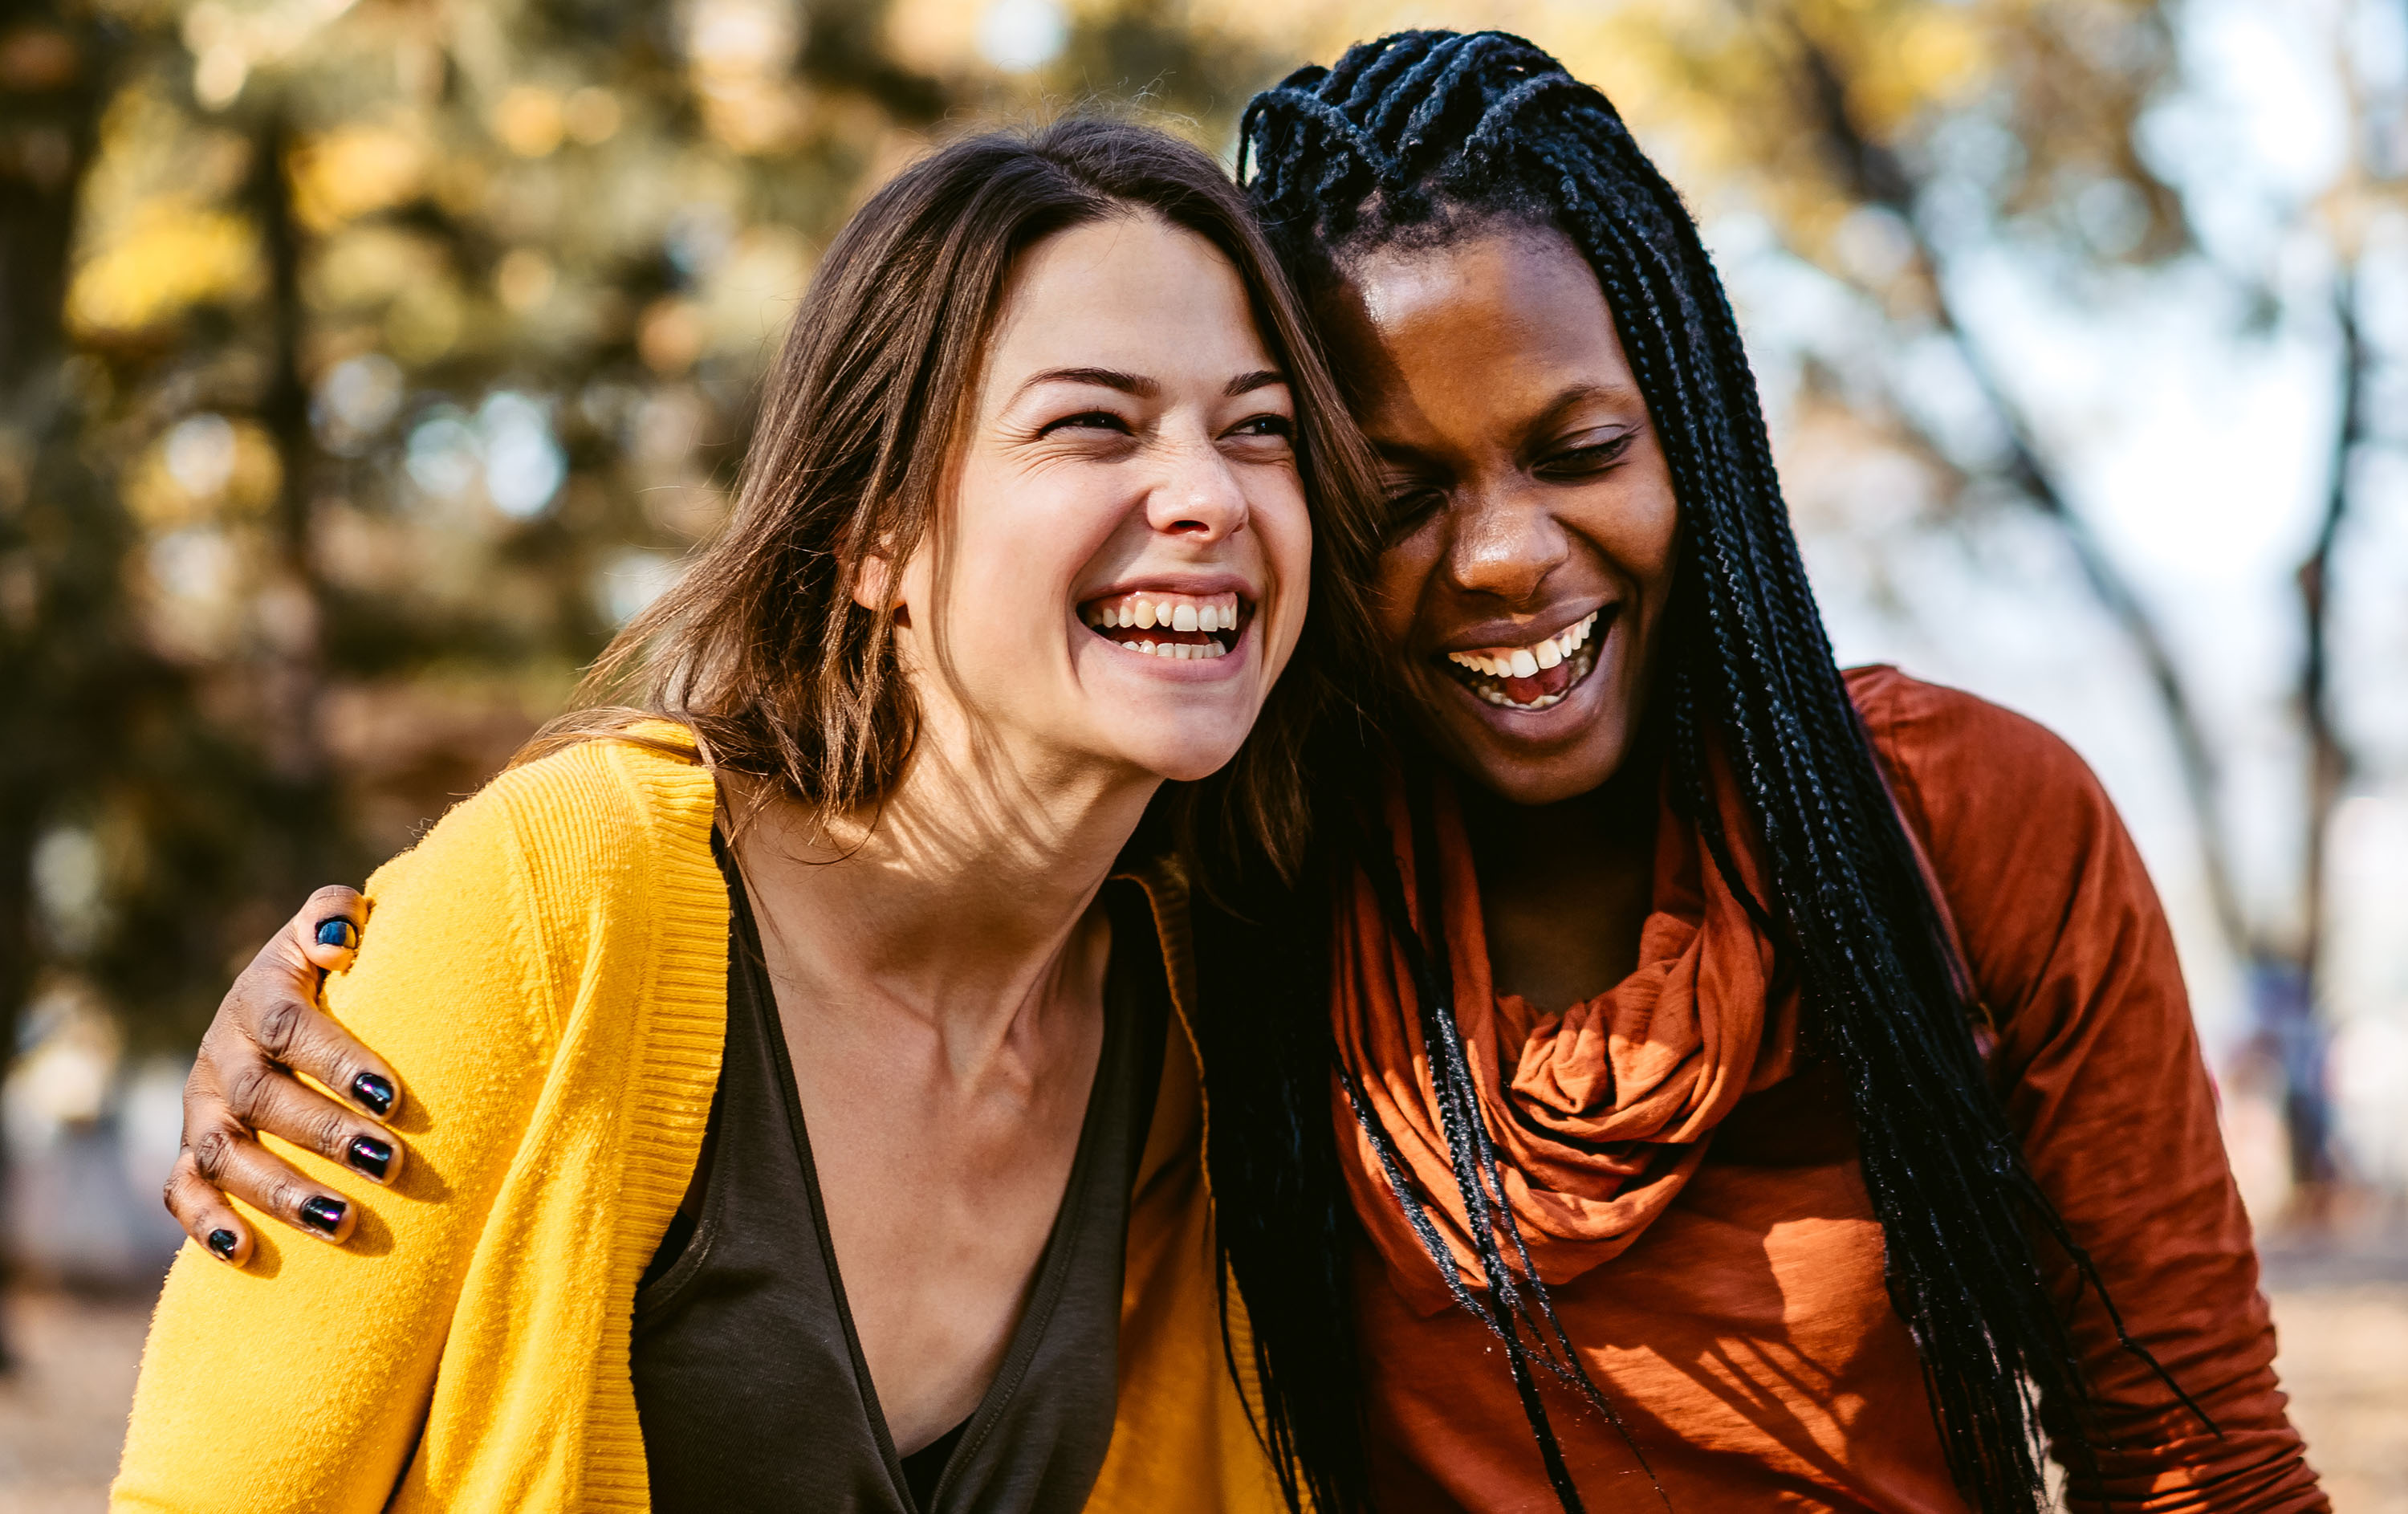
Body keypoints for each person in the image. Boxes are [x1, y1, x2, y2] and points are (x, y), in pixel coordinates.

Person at [155, 34, 2325, 1514]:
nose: (1502, 554)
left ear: (1698, 439)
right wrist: (359, 979)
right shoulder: (1251, 893)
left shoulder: (1951, 827)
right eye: (1384, 482)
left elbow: (2200, 1450)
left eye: (1579, 453)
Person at [113, 116, 1385, 1514]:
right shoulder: (557, 905)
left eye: (1257, 429)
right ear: (872, 535)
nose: (1209, 495)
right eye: (1093, 422)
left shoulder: (1198, 1035)